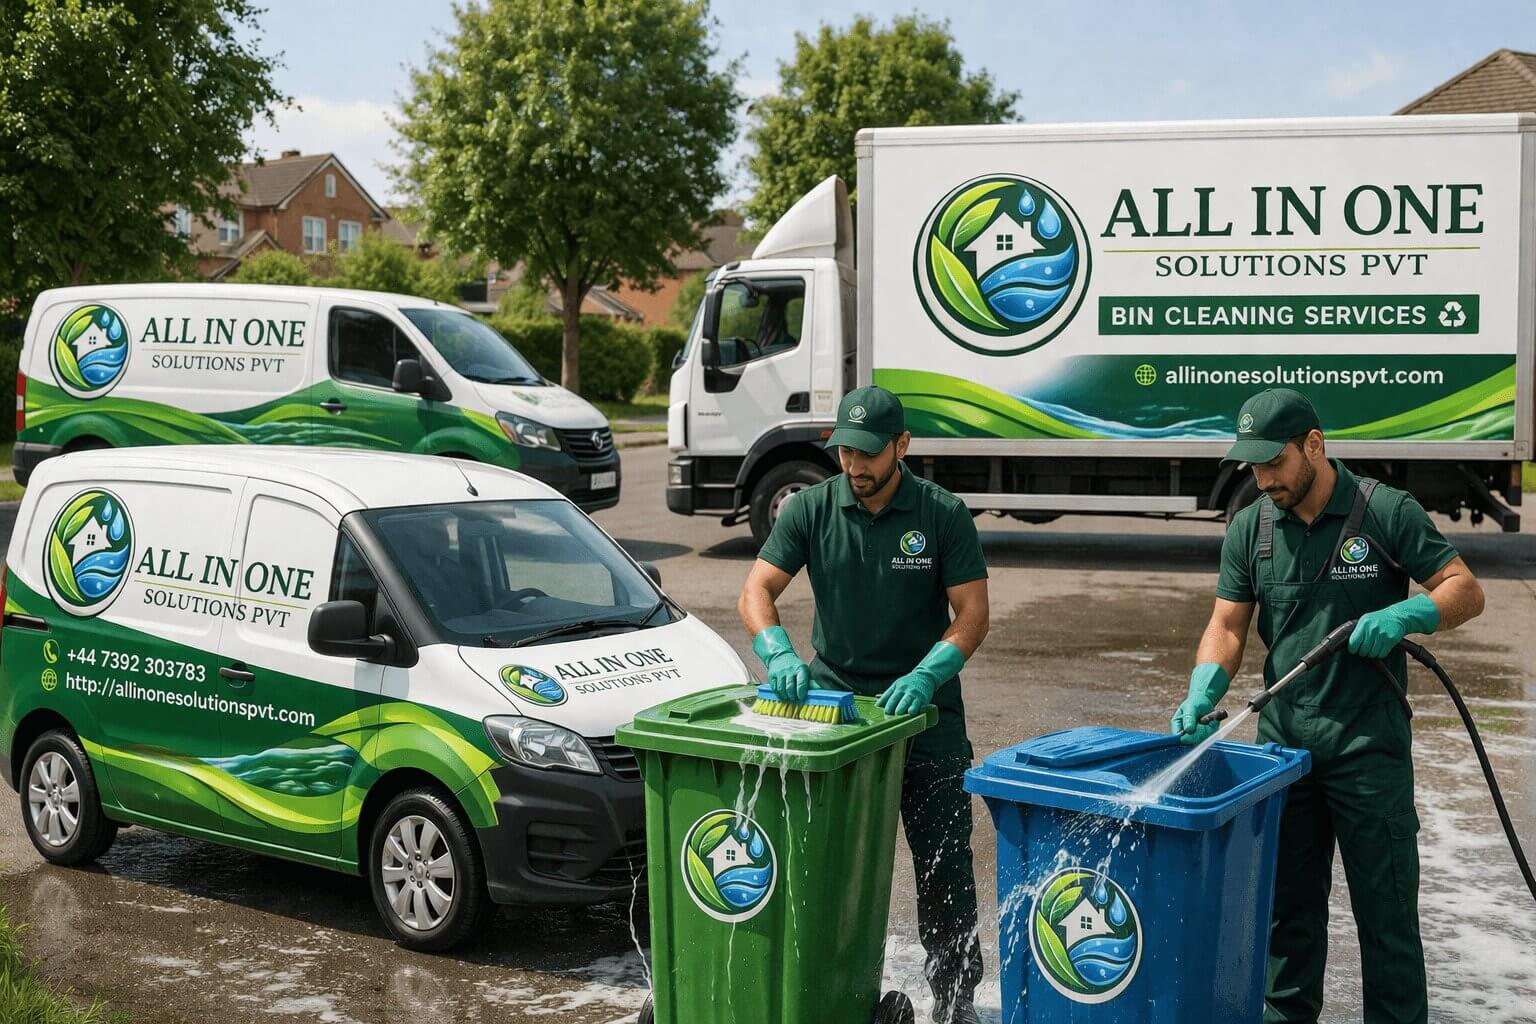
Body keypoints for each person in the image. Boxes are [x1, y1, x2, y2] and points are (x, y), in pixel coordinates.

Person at [1173, 388, 1484, 1024]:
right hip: (1285, 755)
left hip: (1369, 751)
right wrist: (1204, 683)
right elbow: (1228, 625)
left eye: (1274, 463)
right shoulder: (1250, 528)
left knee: (1388, 921)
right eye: (1252, 467)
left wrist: (1409, 613)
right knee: (1288, 924)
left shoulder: (1384, 511)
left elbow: (1466, 590)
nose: (1263, 480)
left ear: (1314, 444)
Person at [738, 385, 990, 1024]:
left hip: (924, 717)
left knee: (943, 870)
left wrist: (929, 673)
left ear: (902, 447)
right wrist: (778, 652)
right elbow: (757, 591)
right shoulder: (812, 509)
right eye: (845, 452)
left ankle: (955, 1000)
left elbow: (971, 615)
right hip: (836, 718)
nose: (854, 466)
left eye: (868, 453)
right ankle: (825, 990)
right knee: (826, 864)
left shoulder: (941, 514)